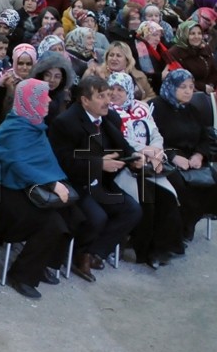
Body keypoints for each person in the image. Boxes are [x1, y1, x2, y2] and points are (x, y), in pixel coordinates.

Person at [0, 79, 77, 300]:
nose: (48, 100)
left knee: (73, 214)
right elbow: (18, 164)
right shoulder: (13, 129)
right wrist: (52, 184)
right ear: (30, 101)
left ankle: (42, 263)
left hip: (26, 187)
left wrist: (53, 182)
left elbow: (40, 161)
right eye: (43, 97)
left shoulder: (34, 124)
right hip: (3, 193)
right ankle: (22, 276)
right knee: (51, 224)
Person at [48, 75, 143, 282]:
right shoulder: (65, 123)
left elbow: (122, 146)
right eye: (101, 96)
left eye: (108, 95)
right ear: (85, 100)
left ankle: (93, 252)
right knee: (97, 217)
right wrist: (99, 163)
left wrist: (134, 157)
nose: (108, 100)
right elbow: (64, 162)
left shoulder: (110, 118)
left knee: (132, 210)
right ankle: (79, 253)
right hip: (75, 183)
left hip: (101, 182)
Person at [105, 72, 182, 267]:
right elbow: (120, 140)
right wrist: (145, 151)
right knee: (147, 200)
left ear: (129, 92)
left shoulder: (141, 108)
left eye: (120, 90)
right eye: (111, 89)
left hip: (149, 164)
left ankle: (160, 248)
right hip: (125, 165)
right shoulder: (108, 112)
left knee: (168, 196)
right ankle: (144, 251)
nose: (114, 93)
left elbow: (156, 133)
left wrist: (156, 152)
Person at [150, 68, 217, 244]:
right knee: (180, 185)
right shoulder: (156, 107)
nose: (188, 91)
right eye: (183, 87)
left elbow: (205, 137)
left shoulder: (192, 109)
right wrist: (172, 156)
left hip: (191, 158)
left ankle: (190, 222)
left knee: (212, 181)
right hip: (165, 158)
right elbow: (151, 139)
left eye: (191, 87)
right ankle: (176, 231)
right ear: (171, 87)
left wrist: (199, 155)